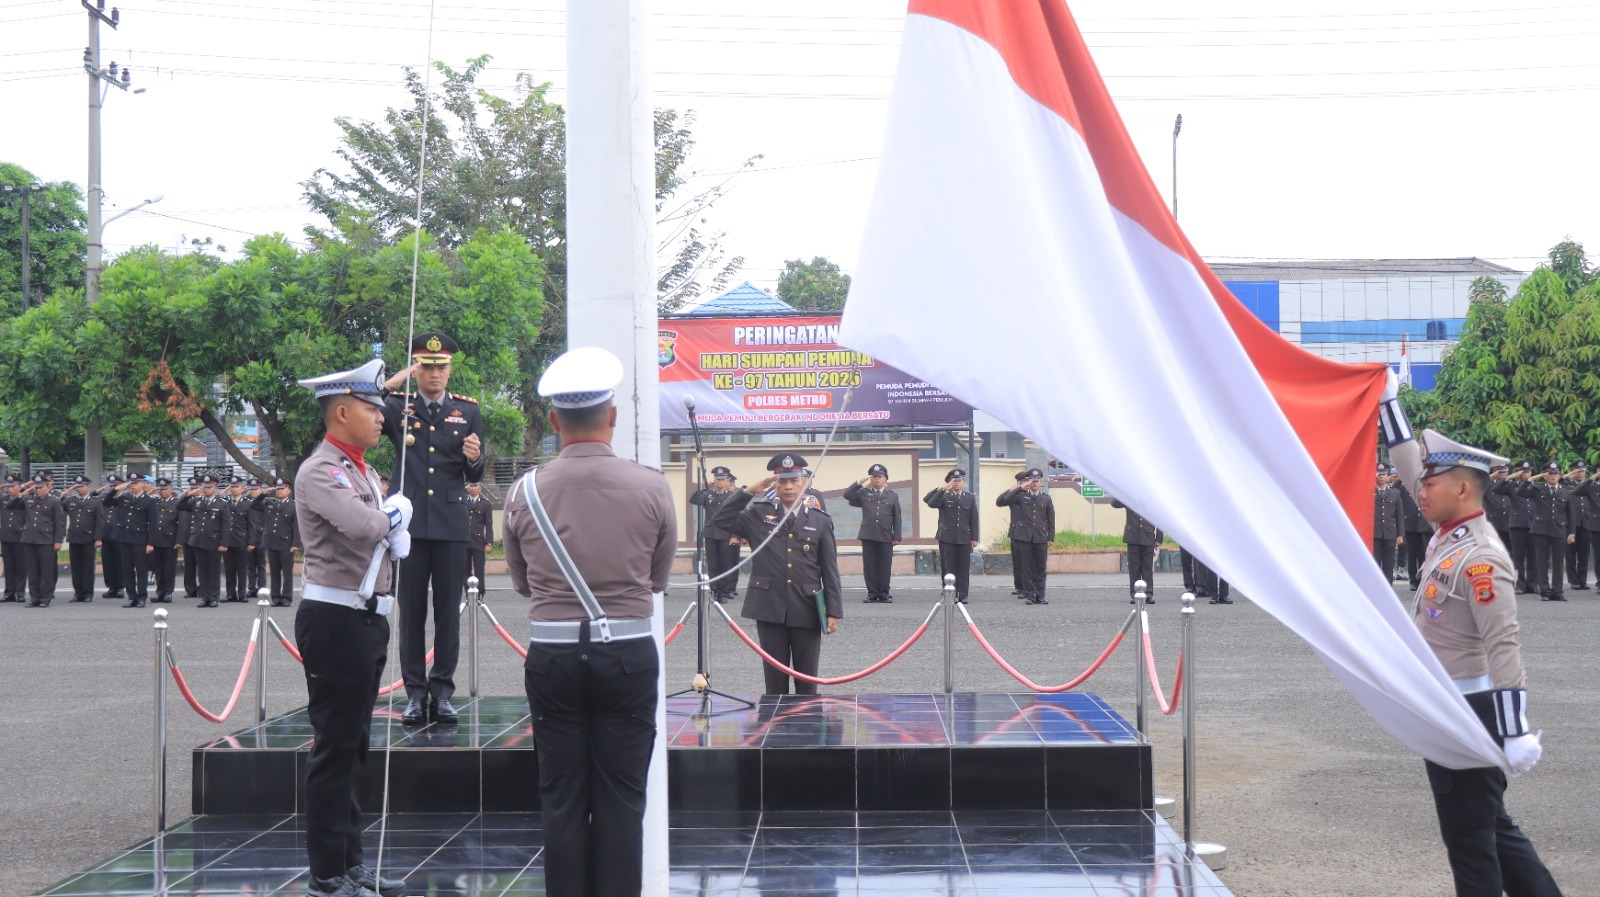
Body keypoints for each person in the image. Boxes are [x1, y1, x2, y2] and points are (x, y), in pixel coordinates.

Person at [501, 346, 675, 897]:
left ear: (554, 422)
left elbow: (523, 582)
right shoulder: (651, 487)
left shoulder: (523, 491)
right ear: (613, 416)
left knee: (562, 796)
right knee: (623, 798)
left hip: (552, 656)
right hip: (626, 653)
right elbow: (657, 578)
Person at [1381, 403, 1562, 897]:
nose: (1419, 489)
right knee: (1491, 829)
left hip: (1470, 711)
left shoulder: (1480, 557)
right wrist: (1386, 402)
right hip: (1449, 704)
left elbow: (1503, 644)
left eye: (1429, 484)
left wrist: (1514, 730)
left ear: (1462, 488)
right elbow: (1406, 463)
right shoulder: (1450, 533)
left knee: (1471, 841)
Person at [293, 358, 411, 897]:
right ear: (341, 412)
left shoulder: (361, 468)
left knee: (353, 746)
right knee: (335, 747)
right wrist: (394, 518)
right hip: (335, 619)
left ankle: (350, 862)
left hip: (364, 619)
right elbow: (366, 527)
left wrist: (391, 518)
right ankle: (326, 873)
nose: (381, 416)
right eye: (371, 407)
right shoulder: (322, 470)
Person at [381, 331, 486, 726]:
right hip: (408, 526)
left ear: (450, 369)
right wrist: (396, 379)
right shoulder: (398, 406)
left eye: (441, 367)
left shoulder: (467, 411)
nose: (435, 374)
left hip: (449, 522)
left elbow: (473, 470)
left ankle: (442, 693)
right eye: (426, 367)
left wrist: (475, 460)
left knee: (447, 614)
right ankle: (414, 694)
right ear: (416, 369)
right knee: (411, 615)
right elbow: (366, 399)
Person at [714, 452, 844, 695]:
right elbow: (721, 520)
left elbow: (829, 568)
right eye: (782, 481)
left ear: (804, 482)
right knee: (774, 679)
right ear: (774, 484)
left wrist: (833, 609)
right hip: (769, 605)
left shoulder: (820, 520)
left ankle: (808, 725)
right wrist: (747, 492)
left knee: (807, 678)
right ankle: (776, 726)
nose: (788, 486)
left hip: (806, 604)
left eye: (794, 480)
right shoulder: (757, 514)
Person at [1517, 460, 1577, 602]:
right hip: (1541, 530)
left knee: (1558, 563)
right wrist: (1531, 479)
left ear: (1559, 475)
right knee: (1542, 562)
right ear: (1545, 475)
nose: (1553, 476)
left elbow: (1571, 515)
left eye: (1555, 474)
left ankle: (1558, 592)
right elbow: (1520, 492)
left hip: (1559, 529)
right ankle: (1545, 591)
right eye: (1550, 474)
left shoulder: (1566, 492)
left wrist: (1572, 532)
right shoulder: (1538, 489)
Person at [843, 463, 902, 603]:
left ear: (885, 479)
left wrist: (897, 536)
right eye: (874, 477)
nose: (876, 479)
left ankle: (884, 593)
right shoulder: (864, 493)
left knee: (885, 566)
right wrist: (859, 482)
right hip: (868, 534)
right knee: (870, 566)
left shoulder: (892, 496)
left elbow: (897, 516)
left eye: (879, 477)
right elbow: (847, 494)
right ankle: (872, 593)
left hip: (885, 535)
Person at [688, 466, 743, 604]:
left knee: (726, 564)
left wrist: (735, 535)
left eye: (722, 479)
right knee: (713, 564)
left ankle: (724, 592)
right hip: (711, 534)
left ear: (727, 481)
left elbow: (737, 517)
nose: (719, 482)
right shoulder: (708, 495)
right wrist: (704, 487)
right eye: (717, 479)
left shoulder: (732, 496)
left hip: (726, 534)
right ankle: (715, 590)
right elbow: (693, 500)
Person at [1000, 469, 1054, 605]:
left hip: (1040, 537)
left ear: (1040, 482)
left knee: (1041, 568)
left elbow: (1051, 519)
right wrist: (1019, 488)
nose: (1034, 484)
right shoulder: (1021, 496)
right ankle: (1030, 595)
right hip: (1025, 537)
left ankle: (1040, 595)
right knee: (1027, 568)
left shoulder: (1046, 498)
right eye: (1032, 481)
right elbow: (1005, 499)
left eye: (1036, 481)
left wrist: (1051, 536)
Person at [924, 469, 979, 603]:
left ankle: (963, 594)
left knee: (963, 567)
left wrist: (975, 537)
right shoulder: (943, 496)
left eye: (959, 480)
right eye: (953, 481)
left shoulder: (969, 497)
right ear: (949, 482)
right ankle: (950, 593)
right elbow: (929, 502)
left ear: (963, 482)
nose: (956, 483)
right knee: (948, 567)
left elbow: (974, 518)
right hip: (947, 537)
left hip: (964, 537)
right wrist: (941, 489)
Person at [103, 476, 158, 608]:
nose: (133, 486)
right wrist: (115, 490)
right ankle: (132, 596)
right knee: (127, 569)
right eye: (131, 483)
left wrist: (150, 543)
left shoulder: (149, 501)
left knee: (141, 570)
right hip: (124, 538)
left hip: (140, 539)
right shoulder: (124, 498)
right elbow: (107, 502)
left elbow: (153, 523)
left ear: (142, 485)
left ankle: (142, 597)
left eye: (136, 483)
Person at [12, 474, 65, 607]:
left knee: (46, 571)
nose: (38, 489)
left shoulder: (54, 501)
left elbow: (60, 523)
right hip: (30, 539)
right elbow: (11, 504)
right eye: (36, 487)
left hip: (46, 540)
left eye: (40, 487)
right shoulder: (28, 499)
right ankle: (34, 598)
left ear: (47, 486)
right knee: (32, 571)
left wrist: (58, 541)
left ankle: (44, 598)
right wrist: (25, 490)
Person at [180, 475, 230, 608]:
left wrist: (224, 543)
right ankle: (204, 597)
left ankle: (213, 597)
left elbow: (225, 525)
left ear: (215, 488)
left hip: (214, 541)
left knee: (213, 571)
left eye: (209, 487)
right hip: (198, 540)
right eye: (205, 487)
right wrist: (189, 494)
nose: (206, 490)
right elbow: (180, 506)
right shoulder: (197, 501)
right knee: (202, 571)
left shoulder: (222, 504)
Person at [253, 477, 300, 607]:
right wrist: (263, 494)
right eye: (277, 489)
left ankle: (286, 597)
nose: (279, 491)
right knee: (274, 572)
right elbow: (254, 505)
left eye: (282, 489)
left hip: (286, 543)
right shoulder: (269, 503)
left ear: (289, 490)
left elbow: (297, 526)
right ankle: (275, 597)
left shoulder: (293, 506)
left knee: (287, 572)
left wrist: (296, 543)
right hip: (271, 541)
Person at [62, 475, 108, 603]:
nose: (79, 489)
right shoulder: (71, 500)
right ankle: (78, 593)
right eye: (77, 487)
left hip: (88, 539)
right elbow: (58, 506)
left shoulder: (95, 502)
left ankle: (87, 593)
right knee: (76, 567)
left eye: (81, 486)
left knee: (87, 567)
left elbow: (100, 522)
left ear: (88, 487)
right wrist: (63, 494)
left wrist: (98, 538)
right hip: (74, 538)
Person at [1111, 497, 1161, 605]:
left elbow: (1159, 518)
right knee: (1134, 568)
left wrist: (1159, 537)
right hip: (1133, 537)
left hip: (1148, 537)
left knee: (1147, 568)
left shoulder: (1153, 499)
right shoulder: (1130, 497)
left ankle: (1148, 594)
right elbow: (1114, 503)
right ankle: (1135, 594)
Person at [1495, 462, 1535, 594]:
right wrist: (1508, 478)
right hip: (1517, 524)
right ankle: (1520, 584)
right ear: (1518, 473)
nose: (1526, 474)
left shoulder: (1536, 486)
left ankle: (1532, 584)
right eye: (1523, 472)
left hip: (1533, 524)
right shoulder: (1511, 486)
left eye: (1528, 471)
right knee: (1518, 556)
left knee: (1533, 556)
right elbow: (1495, 489)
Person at [1397, 473, 1436, 591]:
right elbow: (1393, 489)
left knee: (1424, 554)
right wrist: (1402, 476)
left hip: (1424, 525)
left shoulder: (1429, 488)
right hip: (1410, 524)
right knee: (1412, 555)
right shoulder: (1404, 487)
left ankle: (1423, 578)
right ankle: (1413, 581)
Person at [149, 477, 183, 603]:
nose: (163, 492)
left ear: (171, 489)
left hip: (170, 540)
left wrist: (179, 540)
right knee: (158, 568)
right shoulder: (155, 502)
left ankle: (168, 591)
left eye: (166, 489)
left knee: (169, 568)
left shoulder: (176, 503)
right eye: (161, 489)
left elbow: (181, 523)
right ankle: (160, 591)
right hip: (157, 540)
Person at [221, 476, 254, 602]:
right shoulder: (225, 502)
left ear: (242, 488)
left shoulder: (247, 504)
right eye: (232, 486)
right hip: (228, 540)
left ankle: (242, 594)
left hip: (241, 540)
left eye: (237, 486)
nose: (234, 489)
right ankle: (230, 594)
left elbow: (251, 524)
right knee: (229, 569)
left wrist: (251, 542)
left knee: (241, 569)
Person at [97, 474, 125, 602]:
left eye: (115, 485)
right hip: (106, 535)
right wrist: (109, 490)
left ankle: (120, 587)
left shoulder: (125, 498)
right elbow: (101, 498)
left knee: (120, 562)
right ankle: (111, 587)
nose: (113, 488)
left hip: (120, 536)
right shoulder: (105, 497)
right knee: (107, 563)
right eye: (111, 485)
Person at [1373, 463, 1404, 580]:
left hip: (1390, 533)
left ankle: (1388, 589)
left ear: (1387, 476)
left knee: (1389, 564)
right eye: (1378, 474)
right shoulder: (1368, 492)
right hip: (1374, 534)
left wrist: (1400, 534)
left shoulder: (1395, 493)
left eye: (1383, 474)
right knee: (1374, 564)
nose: (1381, 476)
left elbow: (1399, 515)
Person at [464, 480, 493, 596]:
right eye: (471, 486)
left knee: (479, 569)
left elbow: (489, 524)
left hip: (478, 541)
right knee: (464, 569)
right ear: (467, 487)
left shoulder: (486, 504)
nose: (473, 488)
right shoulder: (463, 502)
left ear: (480, 488)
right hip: (464, 541)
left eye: (475, 486)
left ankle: (480, 593)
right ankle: (468, 592)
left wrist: (489, 543)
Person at [1563, 462, 1589, 591]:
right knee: (1570, 553)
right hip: (1570, 523)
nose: (1580, 473)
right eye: (1577, 471)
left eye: (1582, 471)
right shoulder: (1566, 485)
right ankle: (1573, 580)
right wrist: (1566, 476)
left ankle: (1583, 580)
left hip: (1586, 522)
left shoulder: (1589, 485)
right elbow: (1558, 482)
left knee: (1584, 553)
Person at [0, 474, 24, 603]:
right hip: (6, 536)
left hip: (20, 537)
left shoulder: (24, 500)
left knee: (20, 567)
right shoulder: (3, 499)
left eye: (13, 486)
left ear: (20, 487)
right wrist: (2, 487)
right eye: (8, 486)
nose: (10, 489)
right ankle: (9, 593)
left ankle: (20, 593)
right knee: (8, 567)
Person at [246, 478, 269, 598]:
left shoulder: (265, 502)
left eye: (256, 489)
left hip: (261, 536)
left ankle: (262, 588)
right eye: (251, 489)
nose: (253, 492)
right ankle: (251, 588)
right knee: (250, 565)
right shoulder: (246, 501)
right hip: (250, 536)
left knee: (260, 565)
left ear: (261, 489)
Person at [178, 475, 199, 601]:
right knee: (189, 565)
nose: (194, 490)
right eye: (192, 487)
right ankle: (190, 589)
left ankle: (203, 588)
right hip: (188, 537)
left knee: (202, 566)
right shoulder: (186, 501)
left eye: (196, 487)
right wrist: (187, 493)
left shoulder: (204, 500)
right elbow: (179, 504)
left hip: (201, 537)